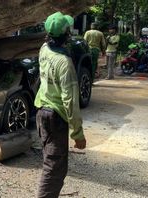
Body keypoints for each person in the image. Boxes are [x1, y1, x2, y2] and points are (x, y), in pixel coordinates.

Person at [35, 12, 86, 198]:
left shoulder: (43, 49)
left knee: (50, 163)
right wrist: (78, 134)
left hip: (42, 112)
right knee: (54, 170)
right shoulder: (64, 63)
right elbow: (70, 101)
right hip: (55, 117)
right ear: (66, 34)